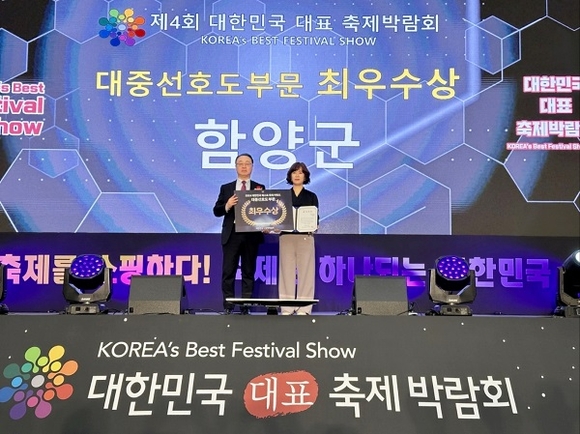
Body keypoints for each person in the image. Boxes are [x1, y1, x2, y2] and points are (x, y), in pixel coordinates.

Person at [213, 154, 265, 314]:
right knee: (228, 271)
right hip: (232, 235)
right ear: (236, 166)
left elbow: (265, 212)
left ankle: (245, 306)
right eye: (240, 163)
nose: (244, 166)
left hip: (251, 235)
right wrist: (227, 205)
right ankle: (228, 306)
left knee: (248, 272)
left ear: (252, 167)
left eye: (247, 163)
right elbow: (216, 211)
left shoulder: (259, 187)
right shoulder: (226, 188)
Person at [278, 162, 319, 315]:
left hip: (305, 237)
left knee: (306, 273)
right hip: (286, 237)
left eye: (301, 172)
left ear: (305, 176)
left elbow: (315, 218)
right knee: (286, 273)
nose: (297, 175)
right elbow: (277, 217)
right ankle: (286, 308)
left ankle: (305, 308)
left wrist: (315, 224)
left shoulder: (311, 196)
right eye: (294, 172)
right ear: (290, 175)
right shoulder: (282, 197)